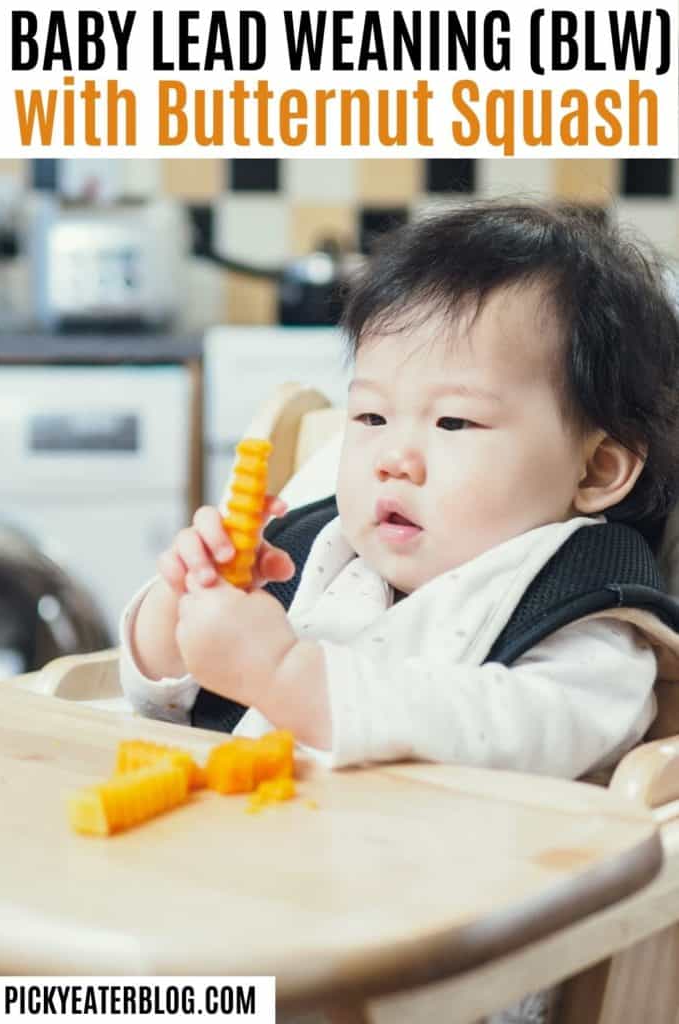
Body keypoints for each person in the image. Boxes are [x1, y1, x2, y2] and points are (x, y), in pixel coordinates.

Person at [120, 201, 679, 779]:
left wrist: (285, 676)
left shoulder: (586, 612)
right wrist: (183, 609)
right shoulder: (319, 552)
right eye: (370, 417)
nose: (394, 459)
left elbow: (527, 733)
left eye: (454, 422)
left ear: (595, 471)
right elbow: (164, 704)